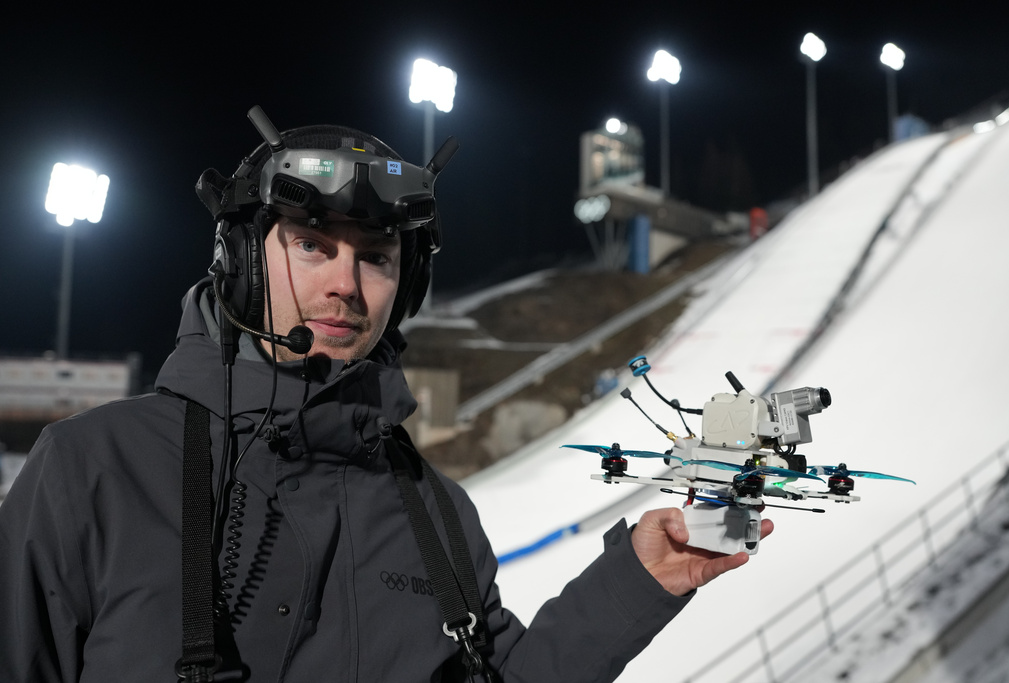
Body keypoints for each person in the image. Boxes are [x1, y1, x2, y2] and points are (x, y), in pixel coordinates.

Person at [0, 108, 772, 682]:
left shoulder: (437, 516)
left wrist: (636, 581)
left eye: (375, 257)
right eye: (311, 244)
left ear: (407, 289)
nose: (344, 283)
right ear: (237, 259)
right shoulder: (94, 471)